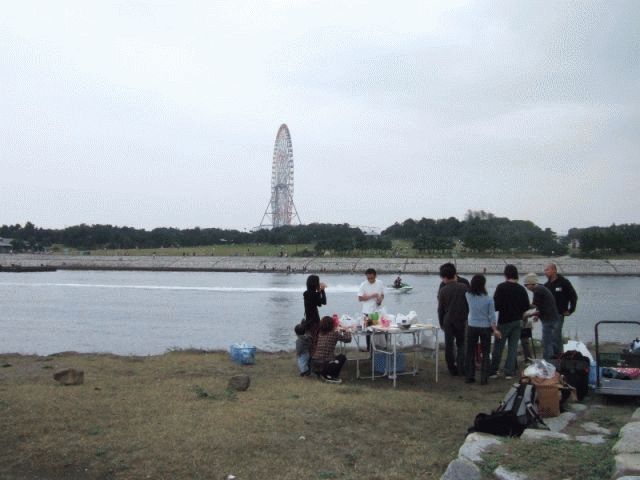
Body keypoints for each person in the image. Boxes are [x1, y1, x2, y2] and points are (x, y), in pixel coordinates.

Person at [489, 265, 531, 379]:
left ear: (506, 274)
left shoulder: (501, 287)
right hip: (518, 321)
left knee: (498, 347)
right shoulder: (521, 289)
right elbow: (526, 306)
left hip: (504, 320)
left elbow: (495, 306)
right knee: (513, 348)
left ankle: (493, 370)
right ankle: (509, 371)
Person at [465, 274, 500, 384]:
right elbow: (492, 317)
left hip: (472, 325)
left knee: (470, 352)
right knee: (485, 353)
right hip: (485, 327)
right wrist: (495, 329)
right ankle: (484, 378)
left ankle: (469, 376)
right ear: (483, 284)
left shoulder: (468, 295)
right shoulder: (489, 299)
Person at [438, 262, 469, 376]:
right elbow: (468, 304)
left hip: (448, 321)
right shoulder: (464, 287)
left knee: (449, 346)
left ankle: (452, 368)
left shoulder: (443, 290)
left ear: (445, 277)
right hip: (462, 319)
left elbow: (440, 309)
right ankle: (462, 367)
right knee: (462, 344)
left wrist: (441, 323)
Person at [523, 273, 561, 361]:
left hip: (549, 319)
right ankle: (554, 360)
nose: (526, 287)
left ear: (531, 283)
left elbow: (534, 305)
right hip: (552, 317)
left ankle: (548, 362)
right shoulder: (541, 288)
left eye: (526, 285)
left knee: (547, 342)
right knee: (551, 341)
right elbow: (541, 305)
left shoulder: (537, 290)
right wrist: (536, 314)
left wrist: (524, 308)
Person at [544, 263, 578, 355]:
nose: (545, 272)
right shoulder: (546, 285)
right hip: (547, 316)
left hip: (559, 314)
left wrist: (571, 310)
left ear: (554, 270)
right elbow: (542, 300)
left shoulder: (564, 282)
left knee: (556, 335)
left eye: (547, 270)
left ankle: (559, 355)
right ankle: (551, 356)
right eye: (545, 270)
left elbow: (573, 296)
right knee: (548, 337)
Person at [311, 316, 352, 383]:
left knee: (332, 356)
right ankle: (330, 375)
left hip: (314, 363)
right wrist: (347, 331)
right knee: (342, 357)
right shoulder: (334, 333)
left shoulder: (319, 333)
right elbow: (348, 339)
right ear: (332, 325)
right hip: (324, 364)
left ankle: (320, 373)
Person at [358, 268, 384, 351]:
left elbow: (382, 294)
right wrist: (372, 296)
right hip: (367, 312)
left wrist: (380, 300)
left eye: (371, 278)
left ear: (375, 276)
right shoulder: (363, 285)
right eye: (368, 278)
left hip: (377, 310)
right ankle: (369, 349)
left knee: (378, 330)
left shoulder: (380, 283)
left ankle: (378, 348)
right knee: (369, 331)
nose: (370, 280)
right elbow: (360, 298)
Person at [303, 274, 327, 356]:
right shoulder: (314, 294)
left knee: (310, 340)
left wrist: (319, 291)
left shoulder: (306, 293)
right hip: (314, 321)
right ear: (315, 284)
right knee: (315, 341)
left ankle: (310, 357)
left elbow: (318, 302)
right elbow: (323, 302)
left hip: (308, 320)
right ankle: (314, 358)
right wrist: (322, 290)